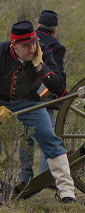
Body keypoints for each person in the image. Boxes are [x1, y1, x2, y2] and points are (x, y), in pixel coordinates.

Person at [0, 20, 75, 203]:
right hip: (1, 102)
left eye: (34, 43)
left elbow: (59, 87)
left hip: (28, 103)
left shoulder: (42, 52)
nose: (32, 49)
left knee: (49, 138)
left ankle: (66, 191)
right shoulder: (1, 52)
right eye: (26, 46)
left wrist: (40, 66)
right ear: (14, 45)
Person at [18, 10, 66, 185]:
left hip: (23, 96)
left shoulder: (25, 41)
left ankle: (24, 177)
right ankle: (46, 177)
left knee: (26, 137)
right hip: (45, 97)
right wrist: (63, 95)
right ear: (54, 29)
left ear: (38, 25)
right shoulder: (56, 46)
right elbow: (58, 76)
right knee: (48, 136)